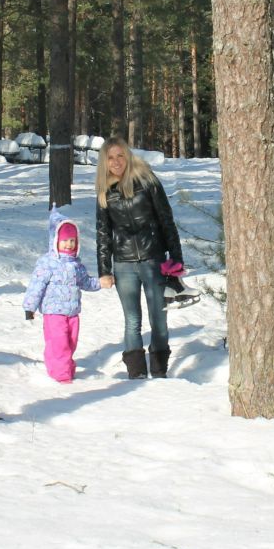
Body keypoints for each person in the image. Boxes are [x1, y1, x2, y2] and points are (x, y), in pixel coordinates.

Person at [95, 137, 185, 379]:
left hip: (153, 259)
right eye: (110, 158)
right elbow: (103, 232)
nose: (116, 162)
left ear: (128, 155)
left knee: (159, 319)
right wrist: (104, 269)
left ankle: (159, 371)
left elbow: (166, 219)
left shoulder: (147, 180)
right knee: (132, 320)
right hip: (123, 265)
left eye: (119, 155)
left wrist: (176, 260)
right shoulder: (105, 190)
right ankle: (136, 375)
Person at [23, 206, 104, 383]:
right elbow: (36, 285)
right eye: (65, 240)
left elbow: (86, 282)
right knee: (59, 343)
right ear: (55, 241)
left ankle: (64, 366)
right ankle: (61, 374)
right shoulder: (47, 263)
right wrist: (30, 307)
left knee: (70, 342)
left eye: (72, 241)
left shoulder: (76, 264)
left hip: (73, 312)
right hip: (53, 312)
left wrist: (101, 283)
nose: (69, 244)